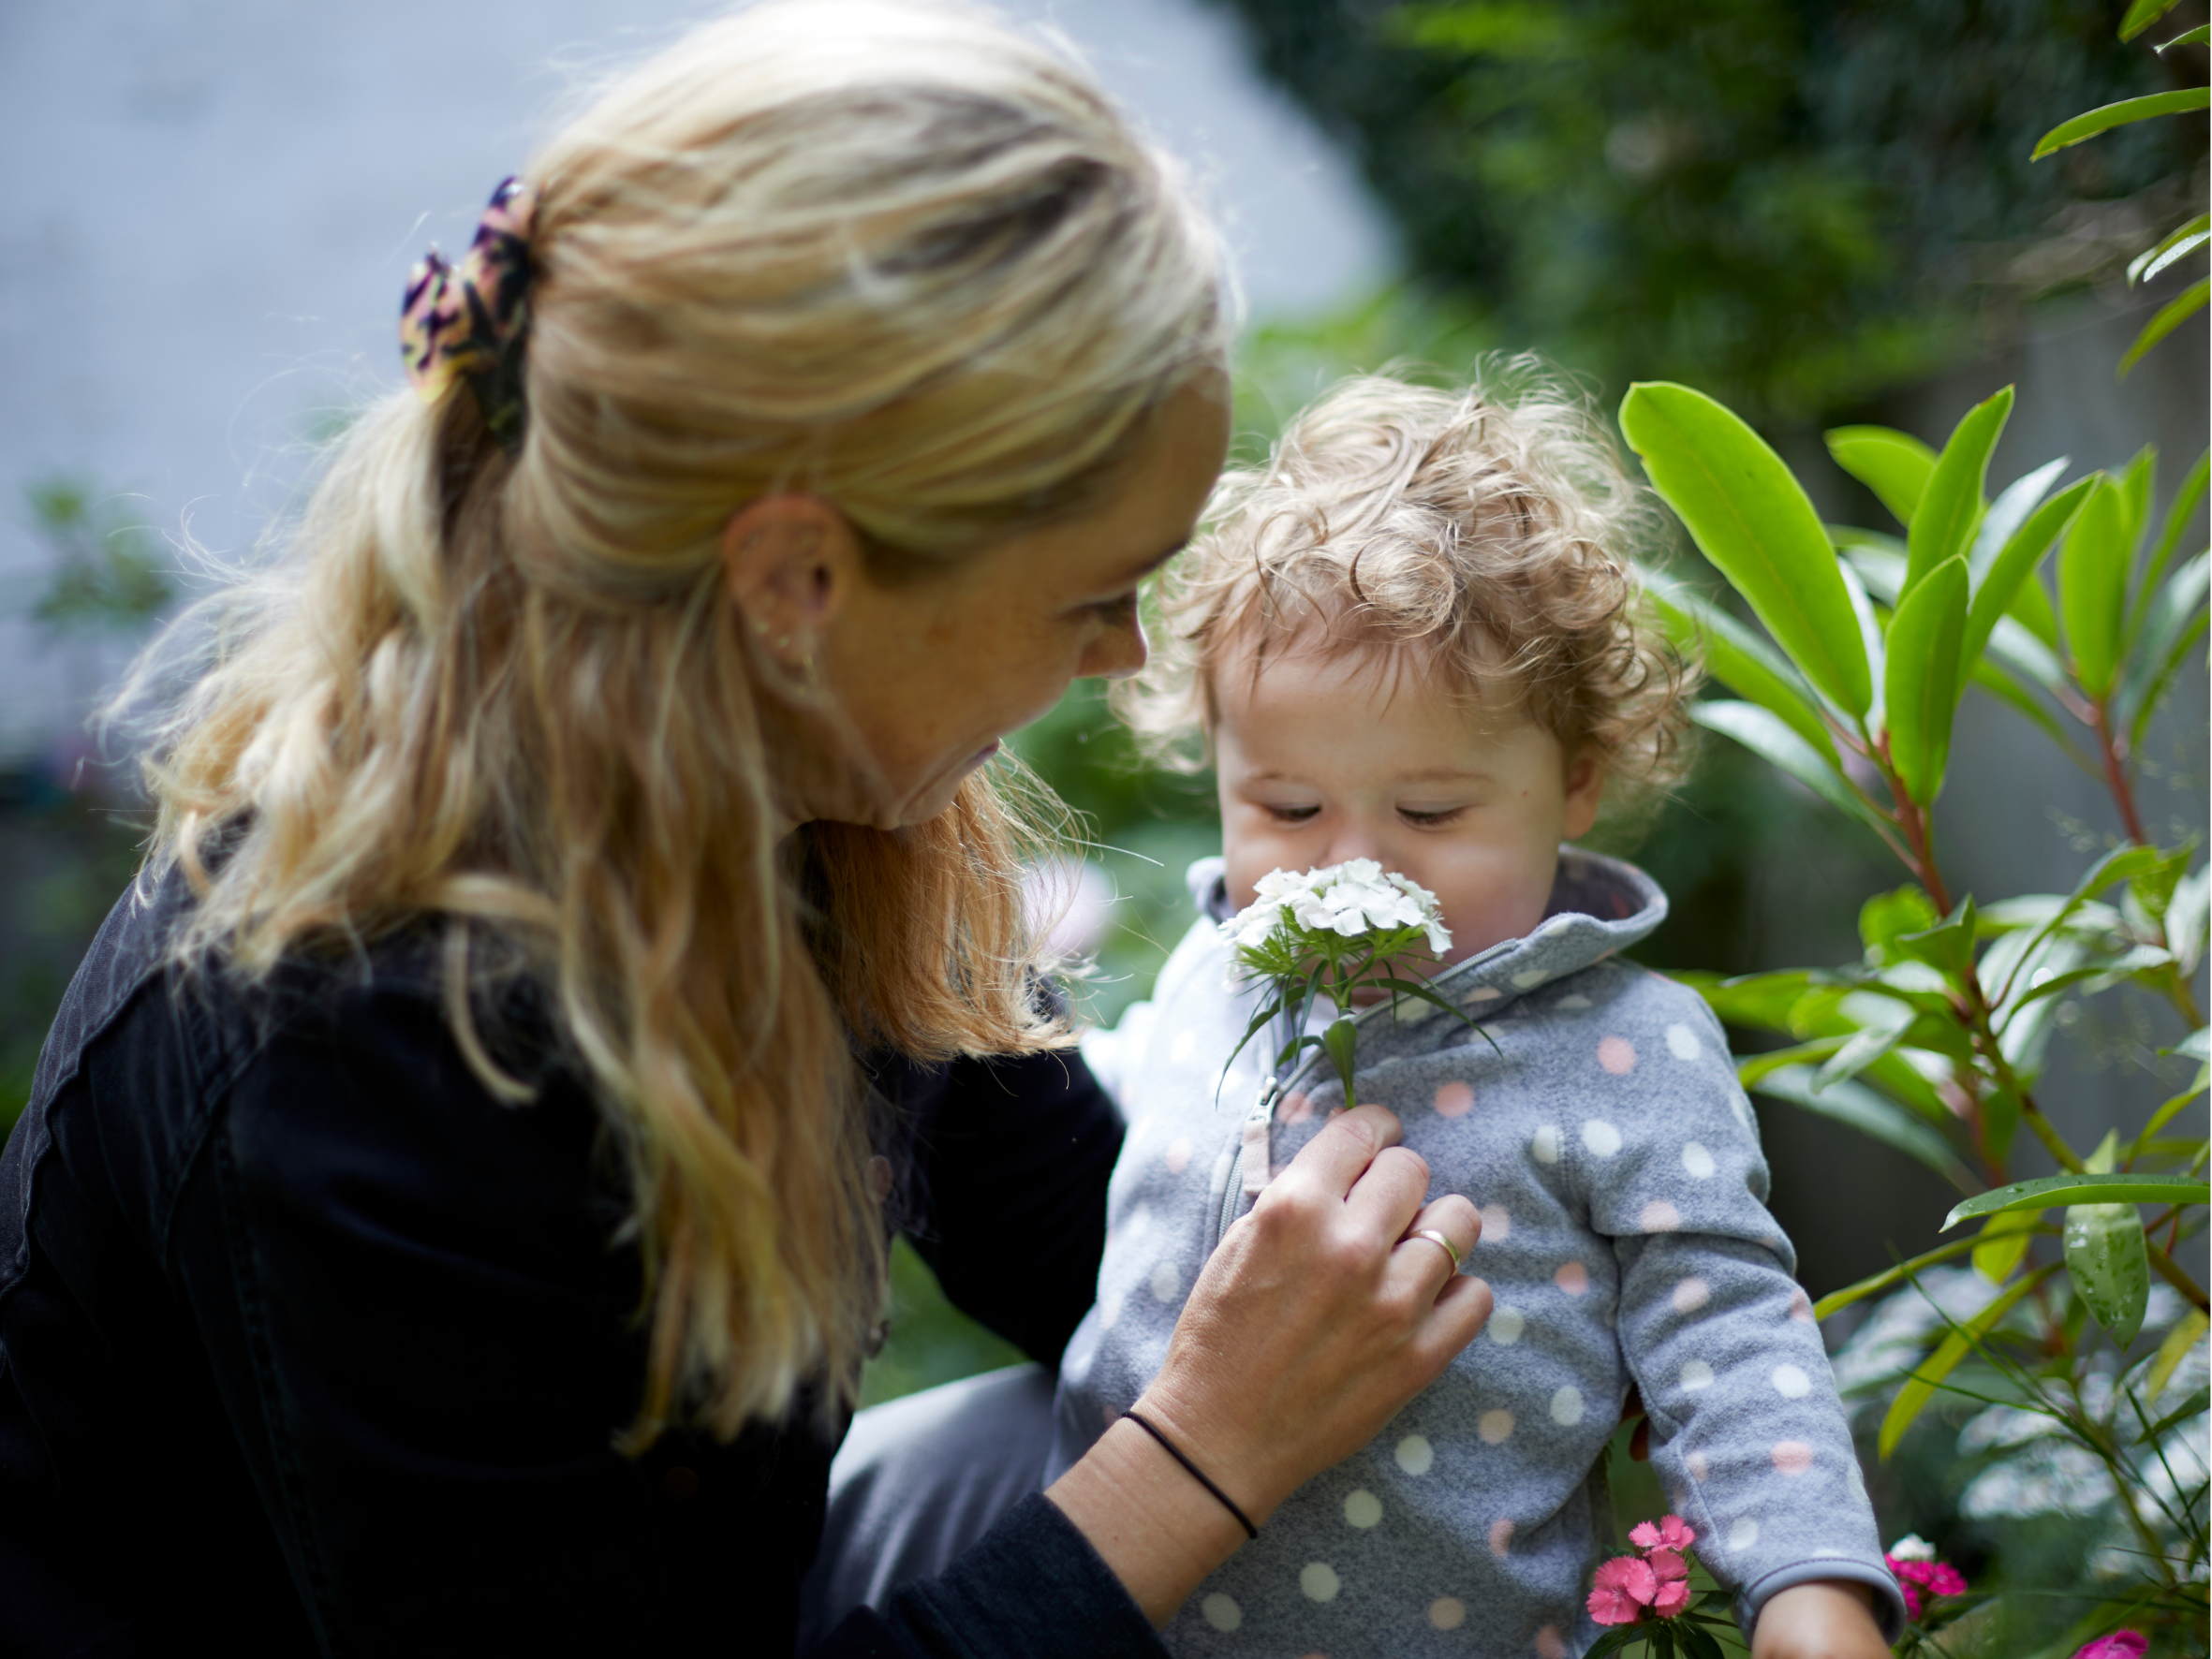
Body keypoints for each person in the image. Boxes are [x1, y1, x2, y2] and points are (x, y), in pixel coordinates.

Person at [0, 8, 1493, 1655]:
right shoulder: (370, 1042)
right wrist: (1203, 1460)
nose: (1123, 657)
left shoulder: (802, 791)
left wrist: (1550, 1302)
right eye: (1088, 595)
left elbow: (1077, 1236)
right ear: (795, 583)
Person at [1048, 372, 1907, 1656]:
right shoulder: (1205, 978)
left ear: (1575, 782)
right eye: (1287, 808)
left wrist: (1808, 1589)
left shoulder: (1623, 1044)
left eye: (1431, 812)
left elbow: (1725, 1333)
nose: (1348, 865)